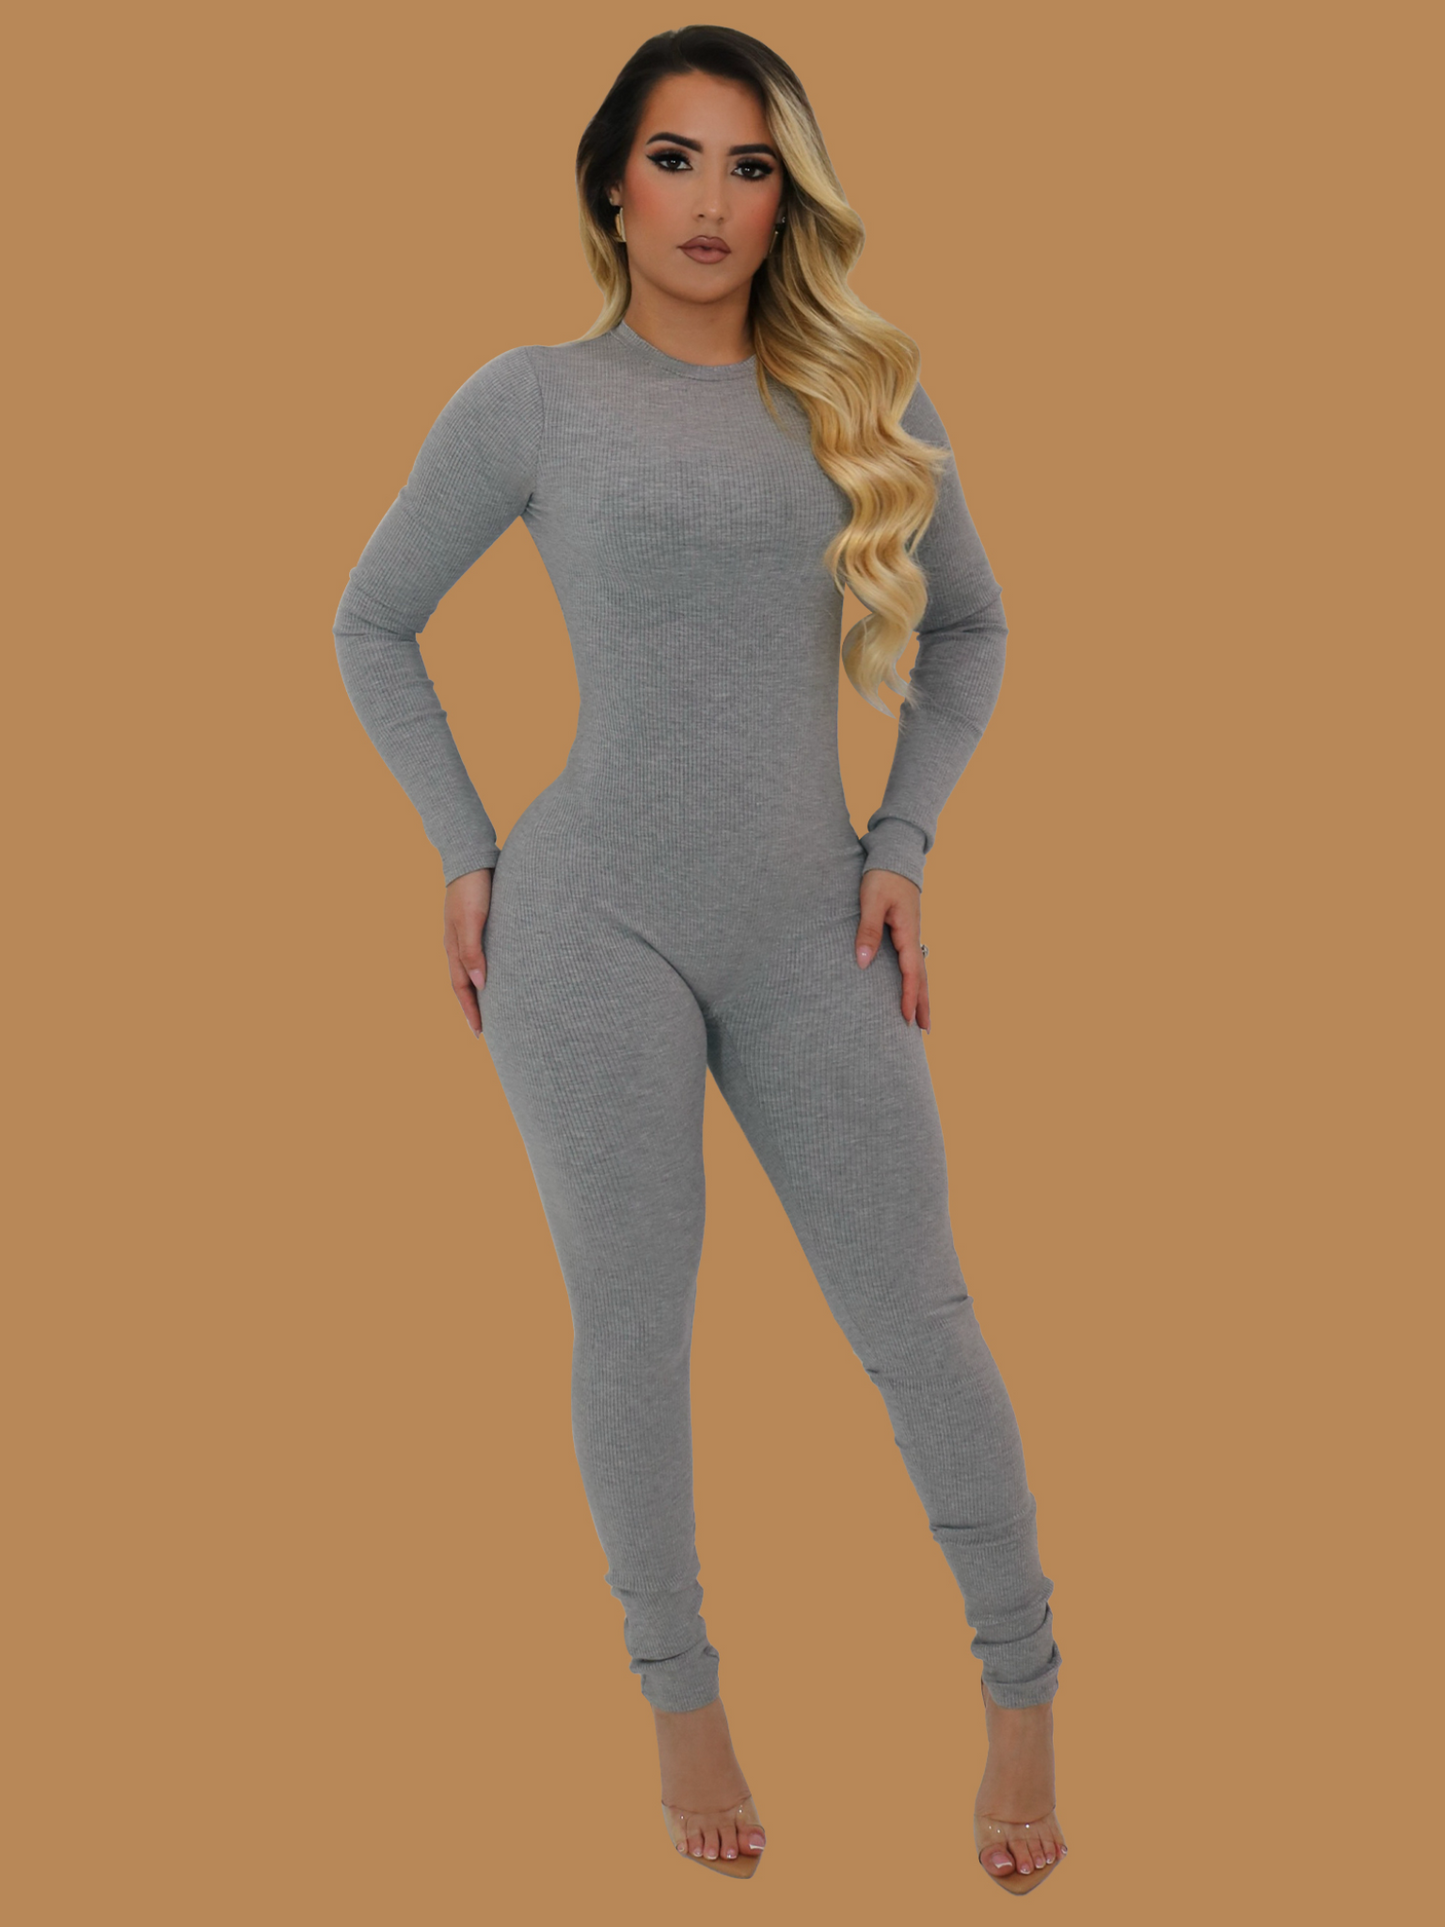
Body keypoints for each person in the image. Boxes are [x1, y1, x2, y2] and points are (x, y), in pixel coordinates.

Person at [333, 24, 1067, 1892]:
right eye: (676, 159)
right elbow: (373, 621)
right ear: (612, 185)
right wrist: (463, 846)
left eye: (751, 167)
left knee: (921, 1314)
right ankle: (682, 1697)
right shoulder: (532, 400)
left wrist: (903, 842)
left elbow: (972, 629)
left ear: (788, 197)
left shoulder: (859, 396)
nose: (713, 202)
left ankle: (1024, 1688)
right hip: (589, 920)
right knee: (636, 1322)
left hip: (815, 916)